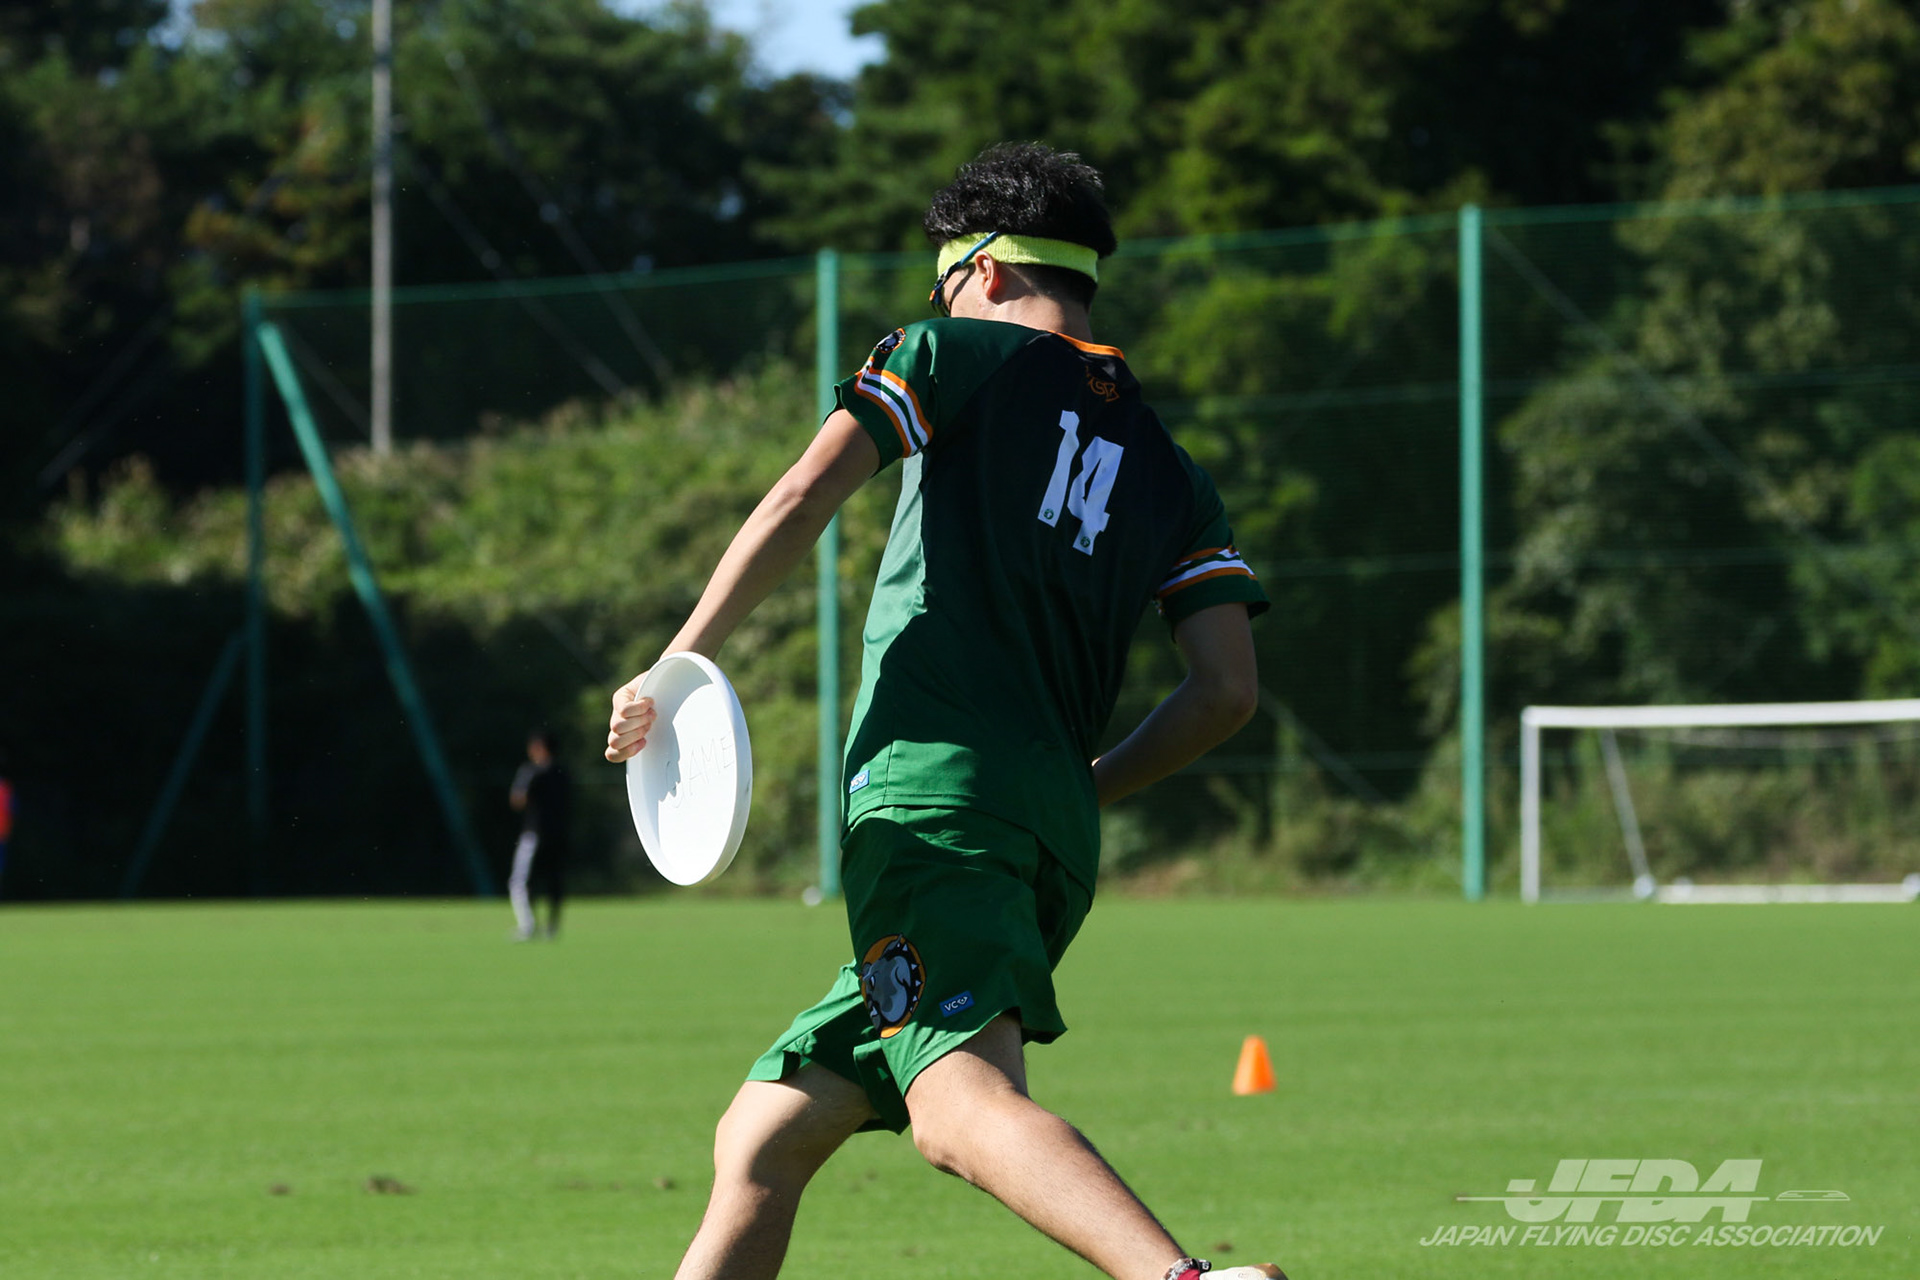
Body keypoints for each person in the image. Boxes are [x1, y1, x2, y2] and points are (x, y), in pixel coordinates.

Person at [605, 142, 1285, 1280]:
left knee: (957, 1108)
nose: (939, 303)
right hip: (1048, 835)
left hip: (928, 803)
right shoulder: (1173, 469)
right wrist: (1088, 785)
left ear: (986, 269)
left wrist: (676, 662)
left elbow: (802, 491)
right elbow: (1227, 691)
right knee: (764, 1135)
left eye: (944, 282)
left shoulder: (948, 354)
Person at [508, 728, 570, 940]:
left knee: (520, 881)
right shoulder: (563, 772)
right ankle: (552, 927)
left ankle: (527, 925)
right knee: (554, 881)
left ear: (539, 747)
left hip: (534, 834)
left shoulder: (532, 771)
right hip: (558, 834)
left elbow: (518, 800)